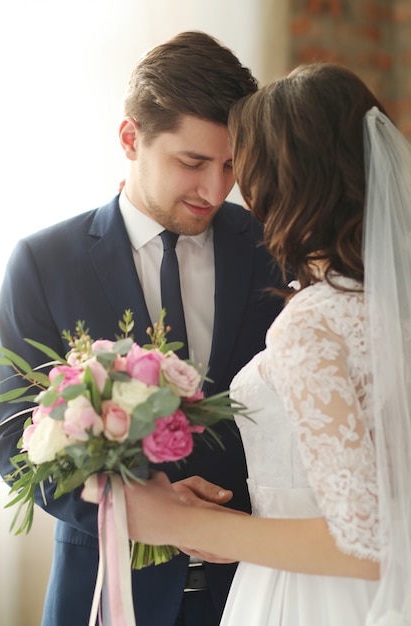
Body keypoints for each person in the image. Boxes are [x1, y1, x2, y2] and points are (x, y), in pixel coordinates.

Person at [0, 31, 285, 626]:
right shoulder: (44, 261)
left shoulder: (274, 251)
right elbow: (11, 434)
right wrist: (145, 511)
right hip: (102, 593)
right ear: (131, 138)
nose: (215, 189)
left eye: (231, 165)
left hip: (257, 590)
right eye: (193, 162)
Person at [121, 62, 411, 625]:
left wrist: (174, 521)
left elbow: (364, 544)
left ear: (284, 176)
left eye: (239, 164)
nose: (230, 186)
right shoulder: (384, 302)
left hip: (313, 597)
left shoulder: (311, 321)